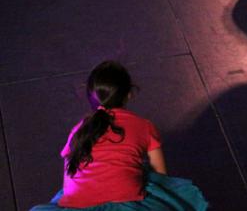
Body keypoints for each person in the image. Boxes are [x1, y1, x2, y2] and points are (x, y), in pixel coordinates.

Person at [32, 61, 207, 210]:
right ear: (129, 94)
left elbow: (68, 175)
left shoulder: (78, 130)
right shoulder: (144, 126)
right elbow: (161, 175)